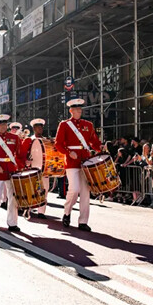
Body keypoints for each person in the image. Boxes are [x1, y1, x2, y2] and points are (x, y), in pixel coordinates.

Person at [54, 96, 102, 231]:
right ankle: (67, 212)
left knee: (86, 192)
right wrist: (69, 152)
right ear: (71, 111)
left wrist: (100, 148)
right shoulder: (64, 125)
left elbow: (94, 142)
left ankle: (83, 221)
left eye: (80, 109)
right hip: (71, 161)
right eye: (76, 109)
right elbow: (58, 144)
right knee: (74, 189)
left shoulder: (88, 125)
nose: (79, 111)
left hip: (86, 160)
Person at [0, 115, 23, 231]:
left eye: (5, 124)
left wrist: (21, 165)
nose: (3, 126)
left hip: (11, 169)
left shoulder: (14, 137)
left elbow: (19, 153)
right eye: (0, 124)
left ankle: (12, 223)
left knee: (13, 197)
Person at [24, 118, 50, 218]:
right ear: (34, 128)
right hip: (32, 168)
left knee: (45, 189)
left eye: (41, 127)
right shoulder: (29, 140)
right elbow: (23, 153)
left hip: (44, 168)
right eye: (37, 127)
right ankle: (28, 208)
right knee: (33, 190)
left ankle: (41, 212)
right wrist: (26, 161)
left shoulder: (46, 140)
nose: (40, 129)